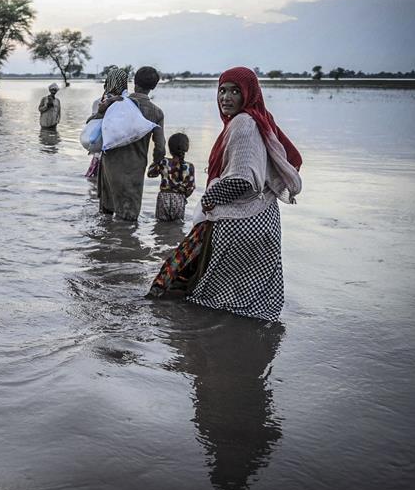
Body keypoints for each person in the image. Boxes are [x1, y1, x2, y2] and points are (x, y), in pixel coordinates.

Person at [147, 66, 302, 322]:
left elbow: (242, 179)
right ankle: (242, 346)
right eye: (222, 91)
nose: (225, 98)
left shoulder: (243, 124)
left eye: (234, 91)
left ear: (248, 94)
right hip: (261, 219)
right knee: (248, 297)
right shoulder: (258, 120)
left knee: (212, 296)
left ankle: (210, 345)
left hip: (240, 222)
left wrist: (209, 199)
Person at [95, 66, 165, 220]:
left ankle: (102, 244)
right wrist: (156, 164)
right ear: (153, 86)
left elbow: (95, 126)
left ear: (134, 81)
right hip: (134, 170)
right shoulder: (156, 112)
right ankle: (127, 243)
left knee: (106, 214)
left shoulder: (115, 103)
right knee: (128, 219)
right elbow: (160, 148)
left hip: (109, 167)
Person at [84, 67, 129, 180]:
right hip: (119, 156)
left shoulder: (98, 103)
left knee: (95, 189)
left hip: (99, 154)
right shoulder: (128, 104)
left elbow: (90, 124)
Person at [147, 132, 195, 221]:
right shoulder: (190, 166)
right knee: (177, 228)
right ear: (186, 148)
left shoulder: (163, 162)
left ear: (169, 148)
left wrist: (157, 159)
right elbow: (190, 188)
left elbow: (150, 174)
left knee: (160, 226)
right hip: (179, 198)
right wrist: (183, 197)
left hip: (163, 197)